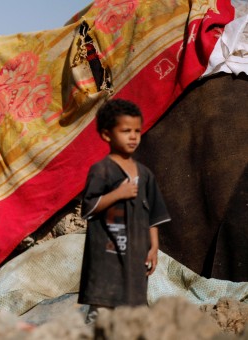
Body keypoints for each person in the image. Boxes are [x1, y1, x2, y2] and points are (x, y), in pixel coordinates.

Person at [78, 99, 171, 323]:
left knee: (135, 312)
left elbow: (153, 214)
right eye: (125, 131)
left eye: (137, 131)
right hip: (106, 254)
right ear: (107, 135)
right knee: (102, 312)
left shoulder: (145, 174)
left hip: (136, 254)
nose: (133, 136)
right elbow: (88, 208)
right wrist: (117, 194)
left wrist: (154, 247)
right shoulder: (101, 170)